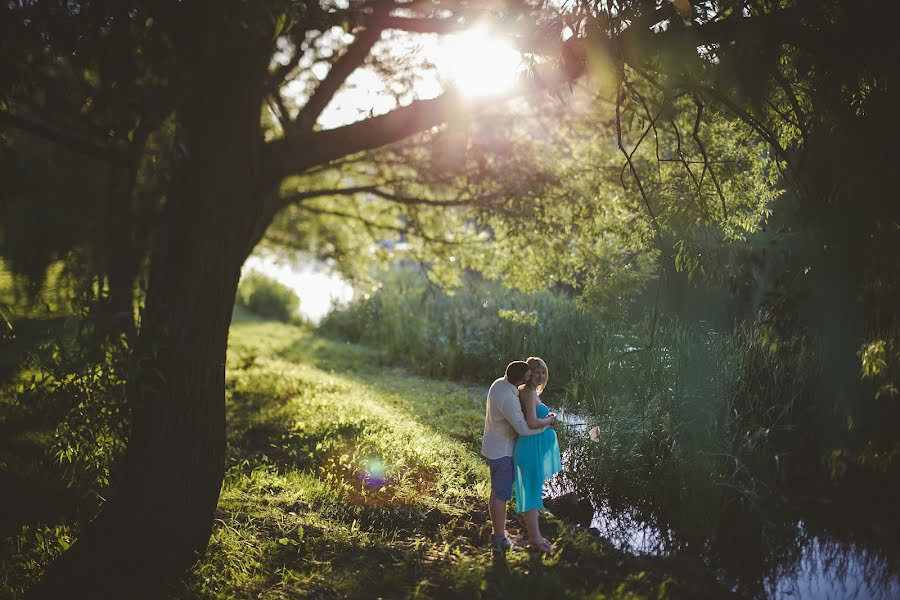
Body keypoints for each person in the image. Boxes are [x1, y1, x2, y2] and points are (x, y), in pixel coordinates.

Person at [482, 360, 558, 552]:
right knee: (503, 493)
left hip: (500, 446)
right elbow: (526, 428)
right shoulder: (511, 396)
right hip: (504, 451)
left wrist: (545, 420)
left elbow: (528, 418)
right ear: (523, 377)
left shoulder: (502, 385)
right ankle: (501, 537)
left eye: (542, 372)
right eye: (532, 373)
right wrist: (548, 423)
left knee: (502, 491)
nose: (534, 377)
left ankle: (501, 532)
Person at [513, 356, 562, 553]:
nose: (540, 375)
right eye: (536, 372)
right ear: (528, 374)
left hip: (534, 446)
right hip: (529, 447)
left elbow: (536, 420)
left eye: (543, 372)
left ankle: (535, 537)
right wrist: (550, 421)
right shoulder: (527, 392)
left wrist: (549, 419)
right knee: (531, 494)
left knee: (532, 492)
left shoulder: (533, 392)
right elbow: (532, 422)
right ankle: (535, 539)